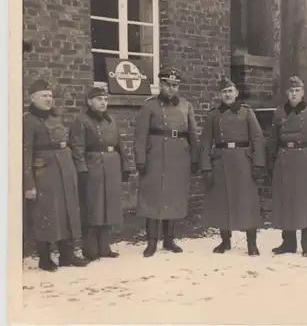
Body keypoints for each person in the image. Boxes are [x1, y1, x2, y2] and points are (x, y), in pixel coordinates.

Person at [22, 79, 89, 271]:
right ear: (33, 99)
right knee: (46, 212)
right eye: (43, 96)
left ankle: (66, 254)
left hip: (65, 169)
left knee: (67, 210)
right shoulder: (29, 121)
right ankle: (45, 257)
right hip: (45, 172)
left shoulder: (56, 117)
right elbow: (26, 153)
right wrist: (29, 184)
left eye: (50, 96)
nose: (48, 99)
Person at [133, 68, 199, 257]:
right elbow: (140, 135)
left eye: (175, 85)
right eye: (168, 85)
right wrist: (140, 159)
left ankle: (169, 240)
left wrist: (194, 157)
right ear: (161, 85)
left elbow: (193, 133)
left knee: (173, 196)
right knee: (153, 196)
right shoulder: (149, 106)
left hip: (178, 154)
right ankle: (152, 242)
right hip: (155, 154)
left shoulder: (186, 106)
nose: (171, 89)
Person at [199, 78, 266, 256]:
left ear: (236, 93)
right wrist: (206, 167)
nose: (227, 95)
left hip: (243, 161)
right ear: (220, 95)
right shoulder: (214, 115)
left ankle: (252, 244)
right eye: (224, 92)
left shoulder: (246, 112)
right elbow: (205, 142)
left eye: (230, 91)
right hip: (221, 162)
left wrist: (258, 163)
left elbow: (257, 138)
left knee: (247, 202)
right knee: (222, 202)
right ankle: (225, 241)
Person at [267, 76, 307, 257]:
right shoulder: (279, 113)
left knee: (306, 204)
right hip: (284, 160)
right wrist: (270, 163)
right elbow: (273, 141)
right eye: (290, 91)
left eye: (297, 91)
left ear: (302, 93)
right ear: (286, 94)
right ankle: (288, 243)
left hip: (305, 162)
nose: (293, 94)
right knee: (285, 202)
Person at [69, 86, 132, 261]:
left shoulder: (110, 120)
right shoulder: (81, 121)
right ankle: (91, 249)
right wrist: (82, 169)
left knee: (109, 207)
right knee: (94, 206)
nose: (103, 102)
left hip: (112, 166)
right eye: (99, 99)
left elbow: (121, 145)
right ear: (89, 102)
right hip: (93, 165)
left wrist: (125, 166)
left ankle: (105, 247)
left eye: (105, 99)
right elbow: (77, 147)